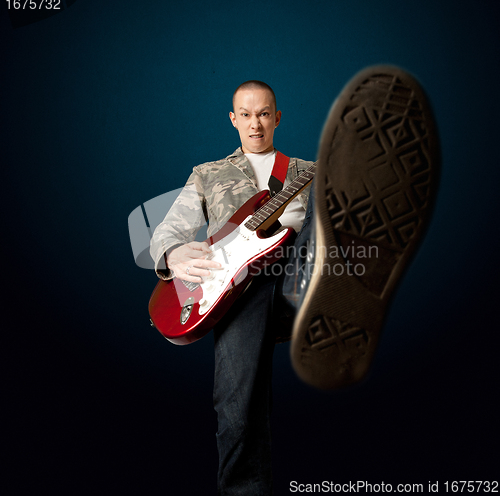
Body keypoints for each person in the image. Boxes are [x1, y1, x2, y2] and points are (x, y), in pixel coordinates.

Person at [150, 66, 440, 495]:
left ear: (278, 117)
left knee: (321, 215)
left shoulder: (307, 169)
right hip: (236, 294)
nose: (255, 123)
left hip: (297, 273)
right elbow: (168, 231)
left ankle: (321, 286)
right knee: (237, 404)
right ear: (232, 118)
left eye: (264, 114)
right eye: (246, 115)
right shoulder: (207, 174)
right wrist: (173, 254)